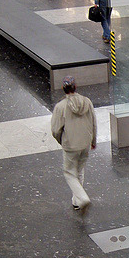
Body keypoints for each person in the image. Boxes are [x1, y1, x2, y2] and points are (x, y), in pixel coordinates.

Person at [50, 77, 96, 213]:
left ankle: (82, 198)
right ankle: (76, 201)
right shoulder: (87, 102)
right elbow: (93, 122)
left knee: (69, 173)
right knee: (79, 170)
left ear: (64, 89)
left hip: (71, 145)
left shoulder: (60, 107)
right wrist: (92, 141)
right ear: (75, 88)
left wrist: (62, 141)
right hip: (85, 143)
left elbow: (55, 130)